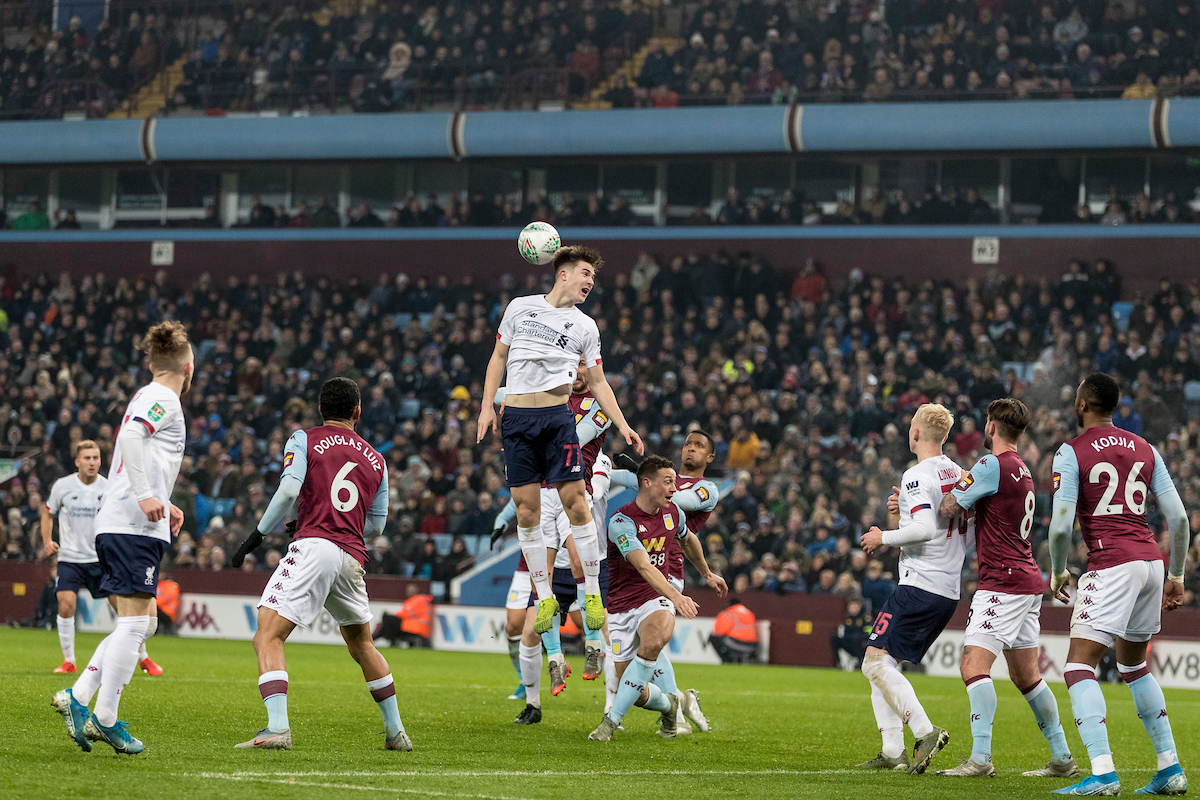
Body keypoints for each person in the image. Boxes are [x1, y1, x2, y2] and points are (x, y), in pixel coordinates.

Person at [227, 377, 410, 752]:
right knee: (362, 644)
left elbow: (290, 490)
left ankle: (277, 728)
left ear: (321, 410)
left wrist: (258, 534)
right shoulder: (377, 459)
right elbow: (375, 525)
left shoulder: (304, 439)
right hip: (352, 555)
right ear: (357, 411)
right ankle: (396, 732)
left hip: (315, 547)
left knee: (268, 634)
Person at [477, 246, 643, 641]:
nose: (590, 281)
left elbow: (600, 383)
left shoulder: (586, 327)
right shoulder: (520, 307)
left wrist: (623, 424)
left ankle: (590, 595)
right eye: (586, 273)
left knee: (576, 503)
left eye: (594, 276)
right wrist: (486, 406)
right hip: (516, 419)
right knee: (526, 511)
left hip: (556, 418)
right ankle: (545, 594)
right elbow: (498, 358)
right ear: (563, 273)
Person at [52, 322, 192, 755]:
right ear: (188, 367)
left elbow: (139, 449)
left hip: (130, 523)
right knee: (135, 623)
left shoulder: (148, 395)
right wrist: (148, 495)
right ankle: (104, 717)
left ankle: (78, 696)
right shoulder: (162, 398)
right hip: (130, 525)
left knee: (144, 621)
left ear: (153, 362)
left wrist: (162, 500)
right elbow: (132, 438)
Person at [1047, 373, 1189, 795]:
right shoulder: (1145, 448)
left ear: (1083, 405)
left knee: (1077, 666)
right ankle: (1170, 769)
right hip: (1151, 562)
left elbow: (1058, 527)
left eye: (1076, 398)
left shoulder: (1071, 451)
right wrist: (1177, 574)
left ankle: (1104, 773)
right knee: (1133, 666)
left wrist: (1058, 570)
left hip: (1112, 563)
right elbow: (1179, 519)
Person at [935, 399, 1077, 778]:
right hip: (1028, 582)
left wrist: (941, 491)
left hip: (1003, 583)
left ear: (993, 427)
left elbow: (949, 506)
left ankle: (980, 759)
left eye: (985, 423)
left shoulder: (990, 465)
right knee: (1026, 677)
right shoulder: (1023, 470)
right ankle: (1062, 757)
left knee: (972, 666)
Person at [492, 356, 616, 703]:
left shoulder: (600, 406)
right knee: (540, 579)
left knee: (578, 562)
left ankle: (593, 644)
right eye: (570, 366)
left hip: (575, 490)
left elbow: (572, 438)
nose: (576, 373)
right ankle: (556, 659)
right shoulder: (553, 395)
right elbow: (501, 394)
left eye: (581, 366)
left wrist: (530, 414)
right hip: (542, 492)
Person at [858, 403, 962, 774]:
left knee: (873, 662)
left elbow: (924, 530)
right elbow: (937, 518)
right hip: (946, 589)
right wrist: (902, 508)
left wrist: (881, 535)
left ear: (915, 433)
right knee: (881, 660)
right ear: (945, 437)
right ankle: (891, 752)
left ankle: (924, 730)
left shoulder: (916, 474)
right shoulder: (958, 473)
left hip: (921, 583)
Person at [589, 456, 712, 741]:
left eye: (675, 482)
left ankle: (609, 724)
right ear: (646, 483)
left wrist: (706, 574)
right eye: (668, 482)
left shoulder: (674, 514)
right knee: (631, 689)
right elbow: (643, 565)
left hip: (655, 596)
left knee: (655, 640)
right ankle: (674, 704)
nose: (674, 488)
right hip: (621, 606)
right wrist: (678, 596)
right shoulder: (621, 521)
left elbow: (689, 539)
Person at [609, 429, 723, 730]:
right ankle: (679, 702)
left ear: (709, 457)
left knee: (652, 641)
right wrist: (600, 471)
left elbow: (679, 502)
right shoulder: (663, 479)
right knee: (649, 644)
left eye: (699, 446)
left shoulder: (706, 488)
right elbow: (622, 481)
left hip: (667, 570)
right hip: (641, 565)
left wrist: (643, 475)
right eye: (688, 444)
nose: (691, 450)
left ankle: (663, 708)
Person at [43, 441, 163, 675]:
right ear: (77, 462)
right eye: (87, 458)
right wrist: (47, 541)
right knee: (65, 604)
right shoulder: (62, 486)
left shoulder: (109, 487)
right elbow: (47, 513)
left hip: (101, 559)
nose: (92, 462)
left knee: (125, 608)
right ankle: (69, 661)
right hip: (70, 558)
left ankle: (144, 657)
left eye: (96, 458)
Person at [711, 598, 759, 662]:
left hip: (737, 642)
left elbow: (720, 631)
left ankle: (726, 660)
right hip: (752, 645)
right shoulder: (749, 613)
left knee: (713, 637)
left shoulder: (730, 613)